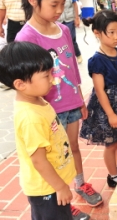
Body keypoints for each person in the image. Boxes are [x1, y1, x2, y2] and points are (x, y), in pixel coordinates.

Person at [15, 0, 103, 219]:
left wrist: (80, 96)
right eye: (53, 4)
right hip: (48, 108)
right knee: (52, 155)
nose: (58, 10)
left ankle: (79, 184)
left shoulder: (63, 29)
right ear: (33, 0)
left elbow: (72, 65)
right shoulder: (26, 37)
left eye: (62, 4)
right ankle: (61, 199)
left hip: (71, 102)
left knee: (72, 148)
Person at [0, 41, 76, 219]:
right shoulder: (30, 118)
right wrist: (60, 187)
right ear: (21, 84)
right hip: (47, 189)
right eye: (46, 75)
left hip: (52, 184)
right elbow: (39, 161)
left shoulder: (37, 100)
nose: (53, 79)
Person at [80, 10, 117, 188]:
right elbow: (99, 90)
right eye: (111, 32)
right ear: (97, 33)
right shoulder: (97, 60)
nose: (116, 37)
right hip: (109, 106)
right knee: (111, 143)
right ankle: (113, 176)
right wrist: (111, 114)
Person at [51, 0, 83, 64]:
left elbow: (74, 4)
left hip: (69, 19)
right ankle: (65, 58)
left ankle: (78, 55)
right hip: (57, 20)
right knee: (59, 41)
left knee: (71, 39)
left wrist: (77, 18)